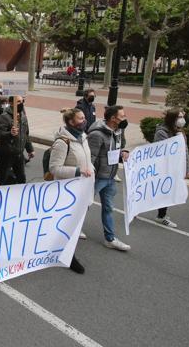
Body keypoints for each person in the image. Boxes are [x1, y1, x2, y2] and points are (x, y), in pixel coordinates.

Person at [49, 108, 95, 274]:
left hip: (83, 187)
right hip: (68, 191)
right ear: (71, 122)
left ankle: (60, 248)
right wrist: (78, 171)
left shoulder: (82, 137)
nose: (85, 120)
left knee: (75, 222)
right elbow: (54, 168)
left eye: (84, 118)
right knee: (69, 224)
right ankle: (68, 256)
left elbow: (86, 159)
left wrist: (90, 169)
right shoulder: (62, 142)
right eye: (81, 118)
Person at [87, 105, 131, 251]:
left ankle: (110, 239)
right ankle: (68, 232)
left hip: (110, 176)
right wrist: (89, 178)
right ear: (113, 118)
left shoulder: (118, 131)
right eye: (122, 116)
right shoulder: (97, 135)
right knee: (83, 206)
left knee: (108, 208)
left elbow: (119, 146)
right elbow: (90, 158)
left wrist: (123, 152)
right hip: (97, 178)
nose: (125, 119)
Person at [153, 108, 189, 228]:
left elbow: (185, 151)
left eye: (182, 117)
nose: (182, 120)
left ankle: (161, 216)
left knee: (166, 193)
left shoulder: (179, 131)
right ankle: (136, 209)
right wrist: (177, 139)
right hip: (163, 168)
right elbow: (163, 152)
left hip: (174, 168)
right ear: (172, 119)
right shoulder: (161, 132)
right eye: (179, 117)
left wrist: (187, 168)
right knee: (153, 191)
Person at [0, 96, 35, 185]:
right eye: (18, 102)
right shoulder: (4, 116)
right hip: (7, 154)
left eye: (22, 101)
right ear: (10, 103)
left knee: (21, 178)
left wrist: (30, 149)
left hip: (19, 154)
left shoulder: (23, 116)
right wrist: (10, 133)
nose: (21, 103)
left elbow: (26, 134)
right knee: (2, 178)